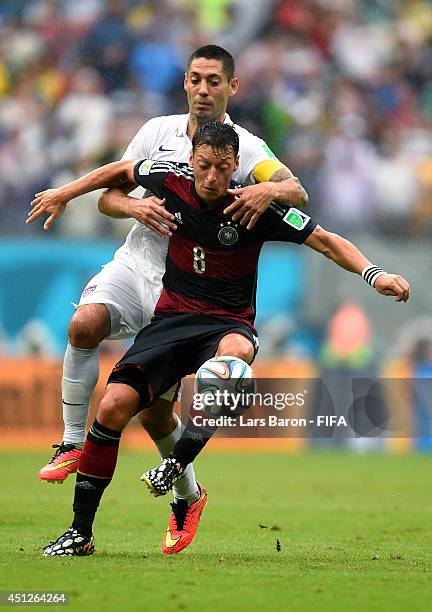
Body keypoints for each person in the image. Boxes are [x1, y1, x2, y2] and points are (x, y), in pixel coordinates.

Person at [36, 121, 410, 556]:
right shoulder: (168, 178)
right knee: (114, 406)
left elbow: (325, 241)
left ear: (236, 167)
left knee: (231, 364)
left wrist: (374, 273)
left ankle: (177, 463)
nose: (212, 176)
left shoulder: (254, 207)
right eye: (205, 165)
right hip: (171, 321)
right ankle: (81, 532)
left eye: (222, 167)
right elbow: (117, 173)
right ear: (192, 160)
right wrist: (65, 192)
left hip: (228, 324)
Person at [28, 45, 308, 555]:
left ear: (232, 88)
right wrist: (135, 209)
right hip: (136, 263)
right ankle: (71, 440)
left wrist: (270, 192)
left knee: (156, 415)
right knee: (83, 324)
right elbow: (111, 193)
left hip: (185, 290)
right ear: (185, 83)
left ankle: (188, 496)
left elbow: (295, 189)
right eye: (196, 80)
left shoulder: (247, 148)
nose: (204, 90)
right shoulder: (157, 132)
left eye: (214, 82)